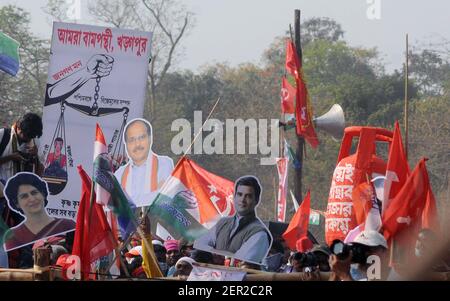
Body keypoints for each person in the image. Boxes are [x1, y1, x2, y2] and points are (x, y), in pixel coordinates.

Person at [193, 176, 272, 264]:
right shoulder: (223, 222)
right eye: (239, 194)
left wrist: (213, 253)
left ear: (256, 200)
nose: (242, 200)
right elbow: (199, 244)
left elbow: (241, 261)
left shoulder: (260, 233)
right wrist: (221, 254)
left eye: (248, 196)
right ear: (234, 197)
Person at [2, 172, 75, 251]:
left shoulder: (67, 225)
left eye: (34, 193)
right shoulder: (12, 236)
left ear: (43, 194)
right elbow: (11, 261)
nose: (32, 199)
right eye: (24, 196)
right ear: (16, 203)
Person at [114, 119, 174, 207]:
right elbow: (115, 206)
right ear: (126, 145)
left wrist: (126, 201)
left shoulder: (164, 164)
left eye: (141, 137)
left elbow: (165, 198)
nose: (137, 144)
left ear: (150, 138)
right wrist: (154, 195)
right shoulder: (119, 175)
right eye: (131, 140)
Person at [0, 113, 43, 182]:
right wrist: (10, 157)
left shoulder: (35, 142)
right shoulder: (2, 135)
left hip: (23, 191)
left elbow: (41, 169)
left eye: (31, 137)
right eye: (26, 135)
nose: (29, 139)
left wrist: (35, 157)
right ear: (18, 126)